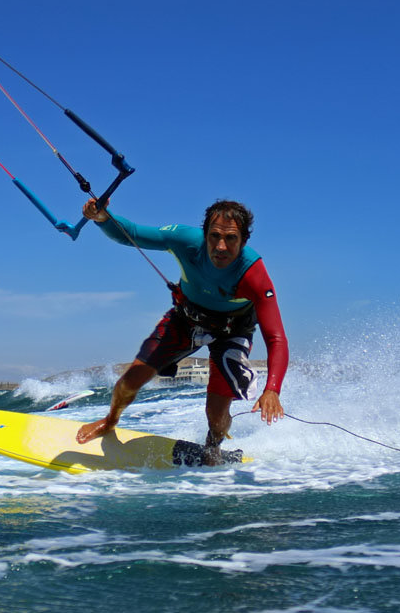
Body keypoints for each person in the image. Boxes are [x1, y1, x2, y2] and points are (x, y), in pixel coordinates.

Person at [75, 198, 288, 465]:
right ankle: (109, 421)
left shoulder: (254, 275)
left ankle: (213, 446)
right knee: (130, 380)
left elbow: (276, 338)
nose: (221, 247)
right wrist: (104, 218)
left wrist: (273, 389)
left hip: (232, 331)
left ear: (243, 240)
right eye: (214, 236)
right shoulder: (186, 241)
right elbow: (133, 234)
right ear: (204, 234)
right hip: (186, 319)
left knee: (216, 412)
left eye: (231, 239)